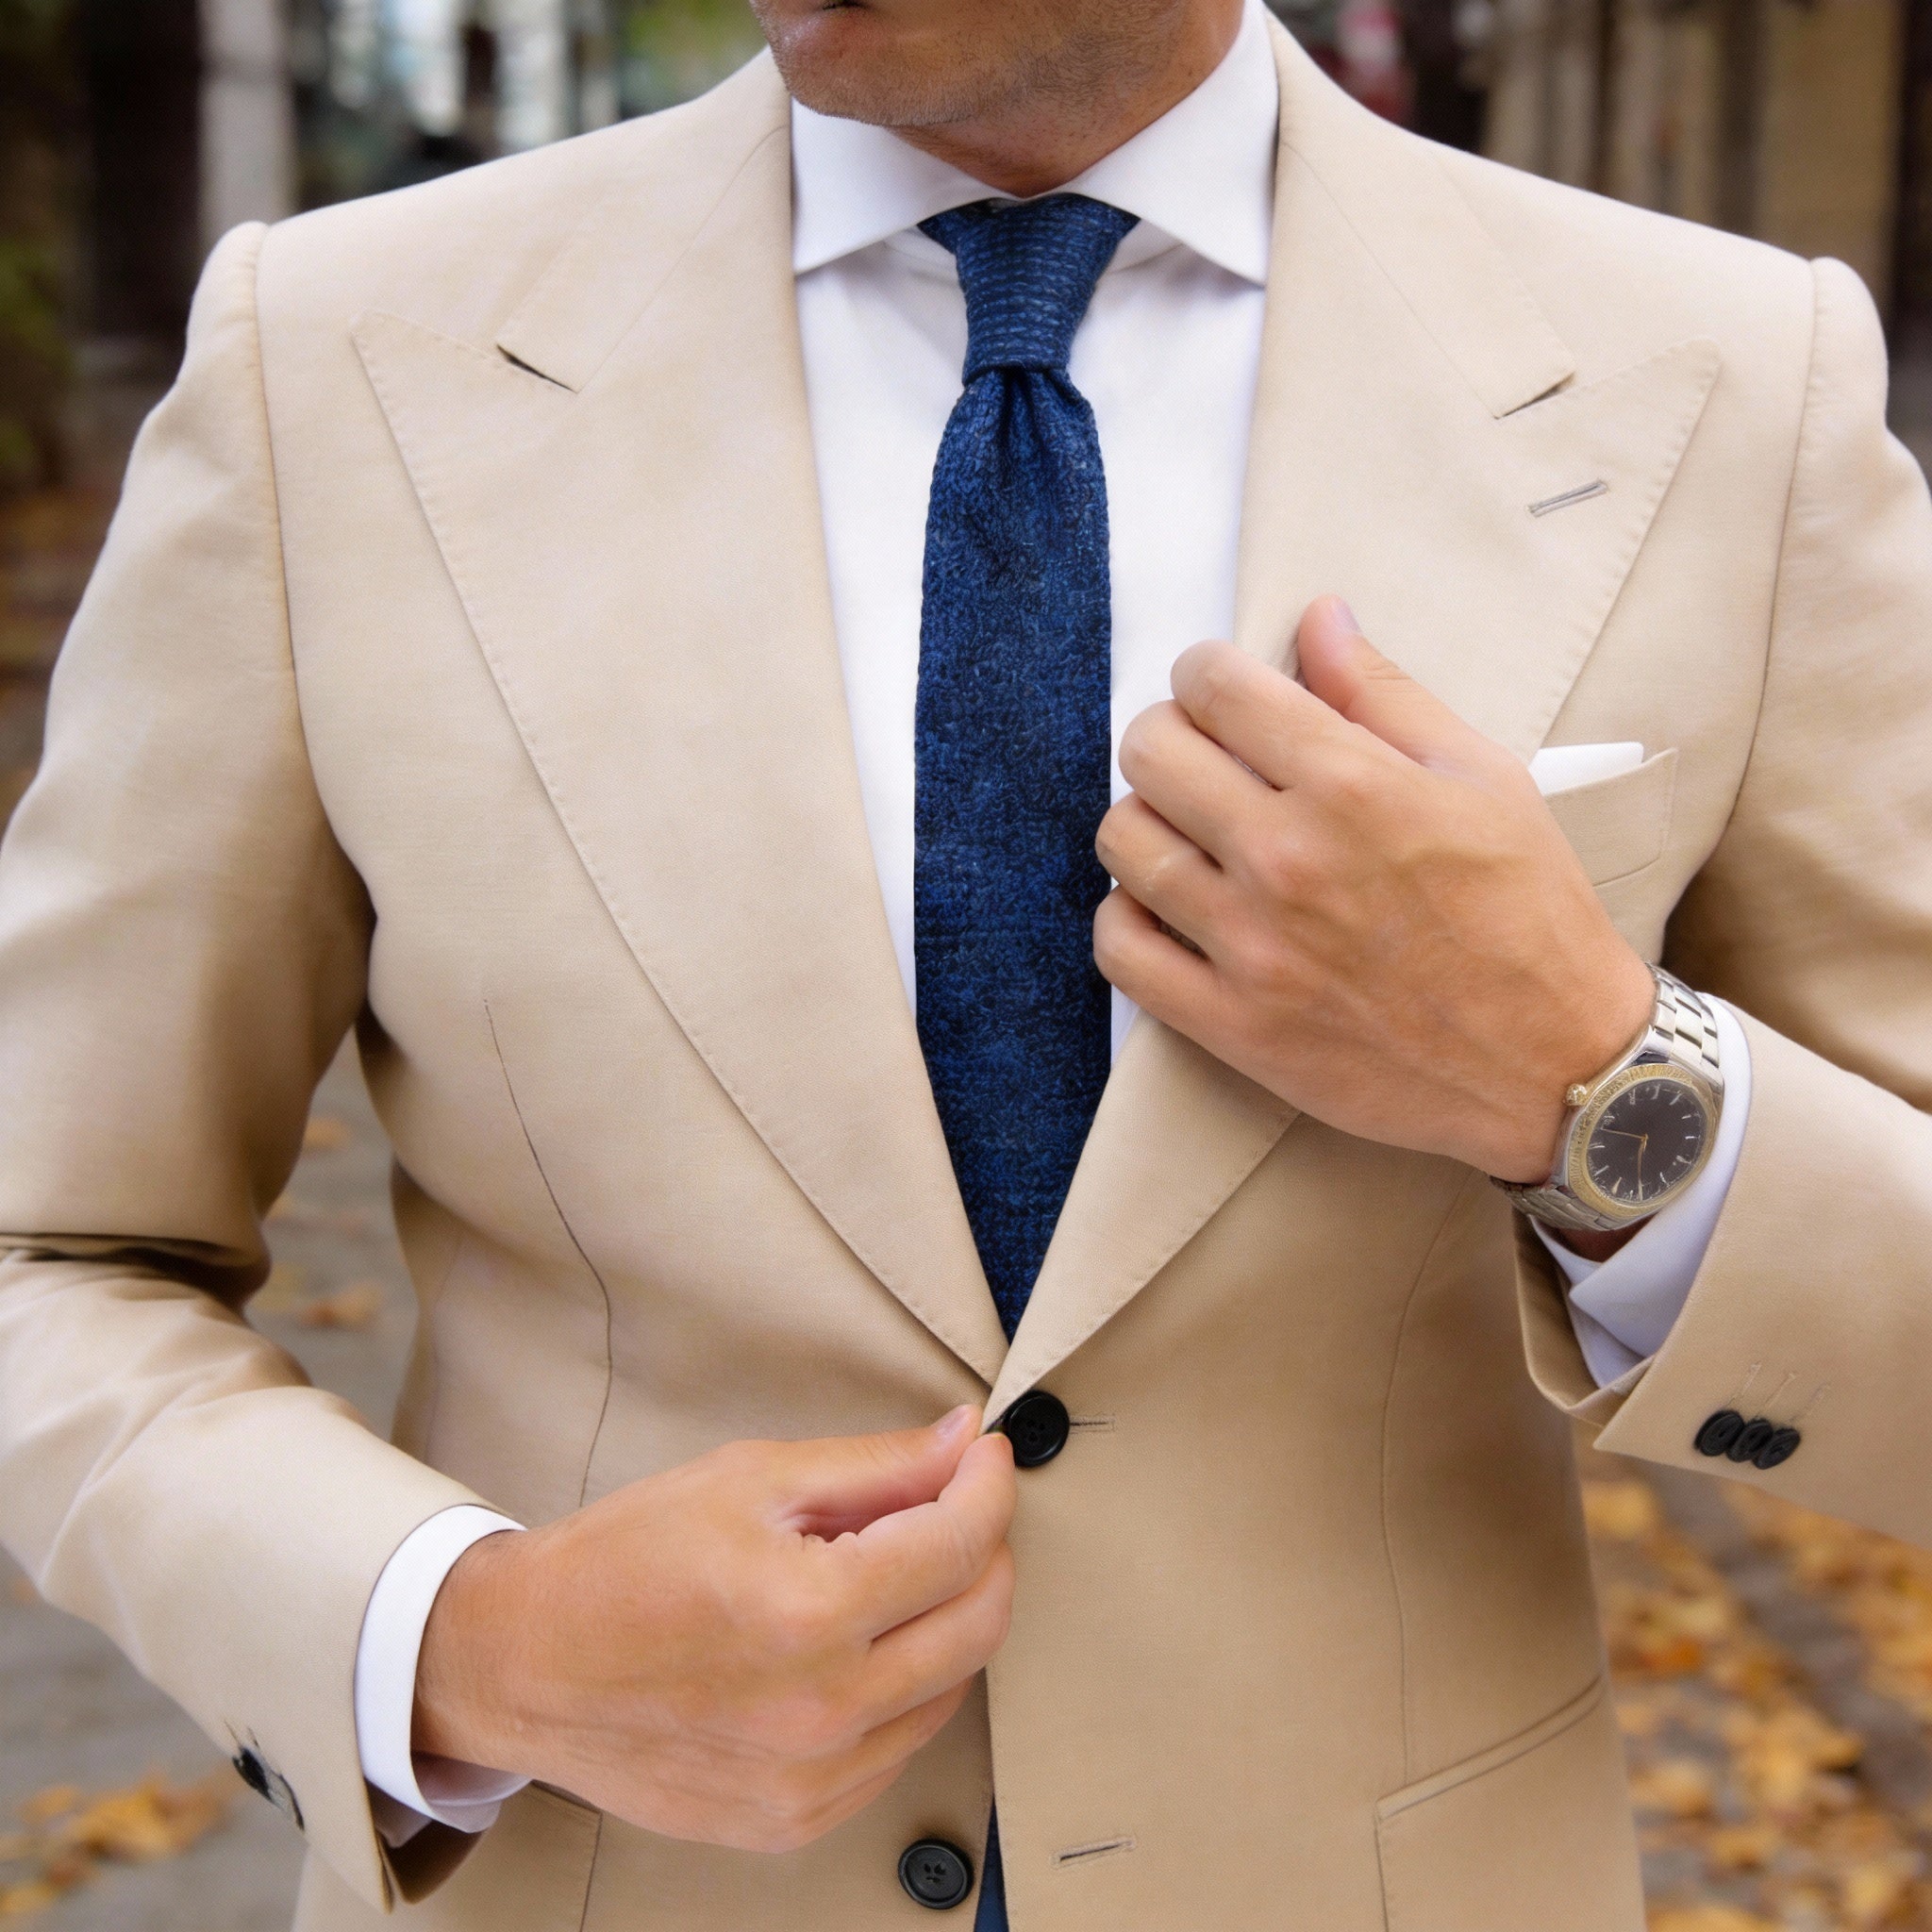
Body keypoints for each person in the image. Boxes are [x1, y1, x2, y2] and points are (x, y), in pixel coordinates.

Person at [1, 0, 1929, 1924]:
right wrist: (461, 1636)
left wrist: (1591, 1082)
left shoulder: (1728, 385)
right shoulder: (332, 361)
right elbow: (51, 1245)